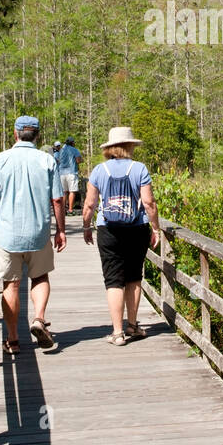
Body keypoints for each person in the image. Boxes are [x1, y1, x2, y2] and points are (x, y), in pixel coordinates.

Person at [0, 115, 65, 355]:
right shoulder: (47, 160)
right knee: (40, 277)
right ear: (38, 135)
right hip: (38, 232)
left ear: (15, 133)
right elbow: (58, 200)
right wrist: (60, 231)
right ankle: (39, 319)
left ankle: (12, 339)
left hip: (9, 235)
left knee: (11, 284)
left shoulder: (1, 159)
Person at [80, 126, 161, 346]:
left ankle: (117, 333)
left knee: (113, 280)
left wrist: (86, 226)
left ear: (110, 147)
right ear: (130, 146)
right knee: (134, 276)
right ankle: (133, 326)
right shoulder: (140, 169)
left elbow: (90, 203)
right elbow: (149, 203)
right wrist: (156, 228)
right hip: (137, 228)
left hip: (108, 229)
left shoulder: (99, 170)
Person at [56, 137, 83, 211]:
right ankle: (70, 209)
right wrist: (81, 160)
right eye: (74, 142)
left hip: (61, 173)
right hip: (71, 172)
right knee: (72, 191)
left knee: (64, 192)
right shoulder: (74, 150)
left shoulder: (61, 150)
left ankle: (63, 209)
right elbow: (78, 160)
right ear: (72, 143)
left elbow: (58, 160)